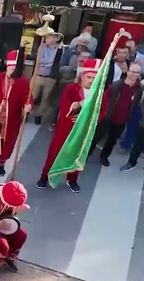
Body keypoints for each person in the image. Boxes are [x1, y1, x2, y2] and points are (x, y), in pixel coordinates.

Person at [37, 59, 102, 192]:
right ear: (82, 76)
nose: (91, 80)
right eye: (89, 77)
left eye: (94, 78)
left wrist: (92, 120)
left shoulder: (99, 94)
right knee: (55, 153)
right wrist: (79, 104)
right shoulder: (71, 88)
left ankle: (72, 179)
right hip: (65, 129)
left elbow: (102, 111)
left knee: (77, 156)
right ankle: (44, 178)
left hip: (84, 131)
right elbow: (65, 106)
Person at [89, 63, 143, 167]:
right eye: (132, 71)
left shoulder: (139, 89)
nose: (134, 74)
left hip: (122, 120)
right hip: (108, 117)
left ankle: (104, 156)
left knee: (112, 141)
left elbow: (135, 103)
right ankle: (86, 155)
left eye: (137, 72)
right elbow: (104, 100)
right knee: (96, 137)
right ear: (128, 72)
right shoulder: (116, 85)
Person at [32, 32, 62, 125]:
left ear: (56, 39)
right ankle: (25, 113)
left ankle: (39, 116)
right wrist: (50, 62)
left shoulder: (60, 49)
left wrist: (48, 62)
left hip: (50, 77)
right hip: (39, 75)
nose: (46, 39)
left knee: (46, 98)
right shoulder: (42, 47)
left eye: (49, 37)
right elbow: (40, 60)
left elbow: (58, 62)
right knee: (33, 96)